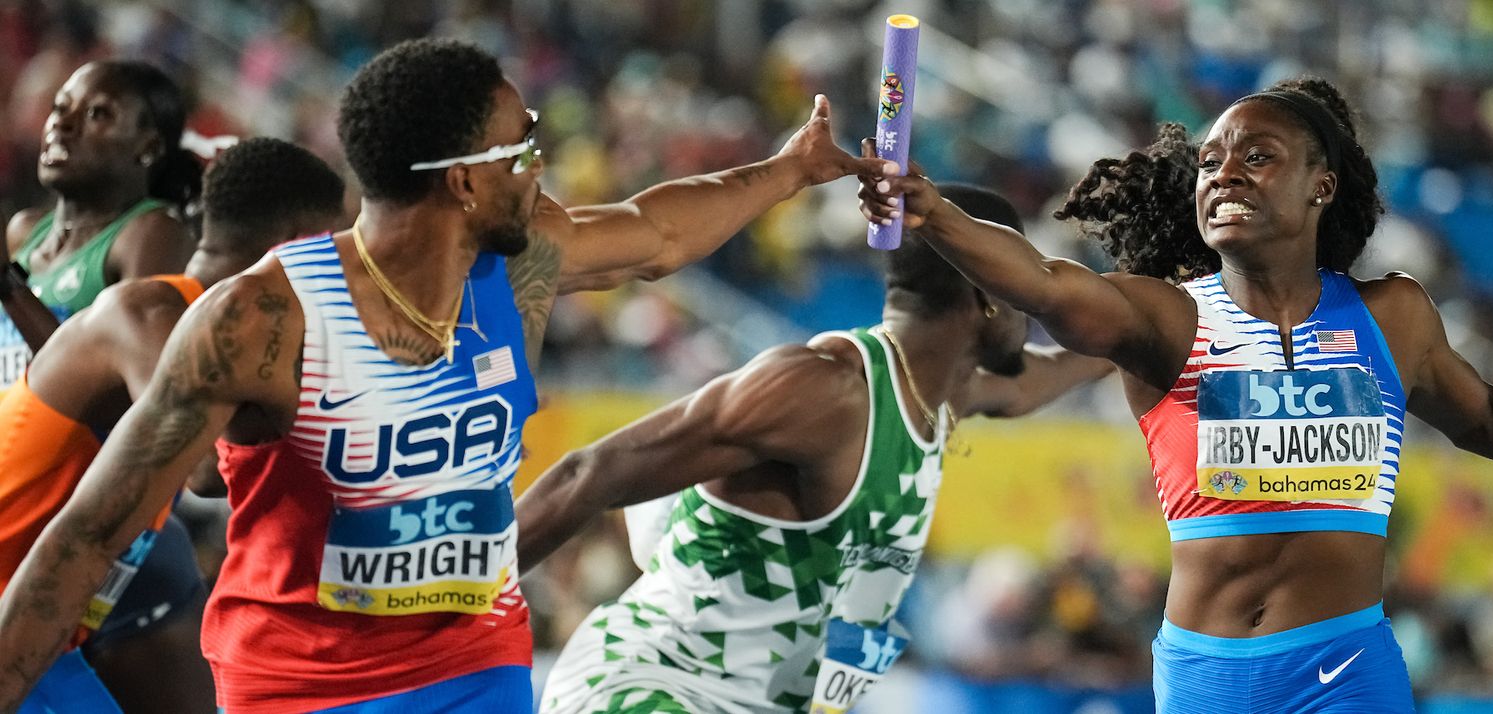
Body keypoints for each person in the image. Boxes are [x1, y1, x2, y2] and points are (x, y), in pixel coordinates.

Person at [0, 38, 871, 713]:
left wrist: (792, 168)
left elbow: (660, 233)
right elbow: (87, 537)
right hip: (296, 684)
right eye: (521, 146)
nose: (541, 163)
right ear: (462, 181)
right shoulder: (261, 320)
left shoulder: (523, 267)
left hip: (472, 664)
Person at [856, 76, 1493, 712]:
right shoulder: (1166, 319)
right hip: (1209, 677)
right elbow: (1047, 286)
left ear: (1320, 186)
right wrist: (931, 210)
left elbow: (1491, 417)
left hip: (1348, 665)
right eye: (1214, 161)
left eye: (1257, 156)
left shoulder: (1394, 316)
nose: (1224, 173)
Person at [518, 184, 1114, 714]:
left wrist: (1168, 318)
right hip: (653, 689)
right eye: (1026, 281)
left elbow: (1064, 368)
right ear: (989, 294)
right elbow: (588, 474)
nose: (1039, 304)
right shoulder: (825, 391)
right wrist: (450, 610)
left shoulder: (947, 395)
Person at [0, 137, 346, 713]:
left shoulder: (200, 329)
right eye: (333, 251)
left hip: (46, 624)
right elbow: (209, 470)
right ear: (298, 244)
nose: (339, 277)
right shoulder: (151, 314)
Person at [3, 60, 202, 381]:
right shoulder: (24, 232)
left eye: (97, 113)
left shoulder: (152, 234)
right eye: (60, 107)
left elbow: (124, 386)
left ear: (148, 147)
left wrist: (8, 285)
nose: (61, 123)